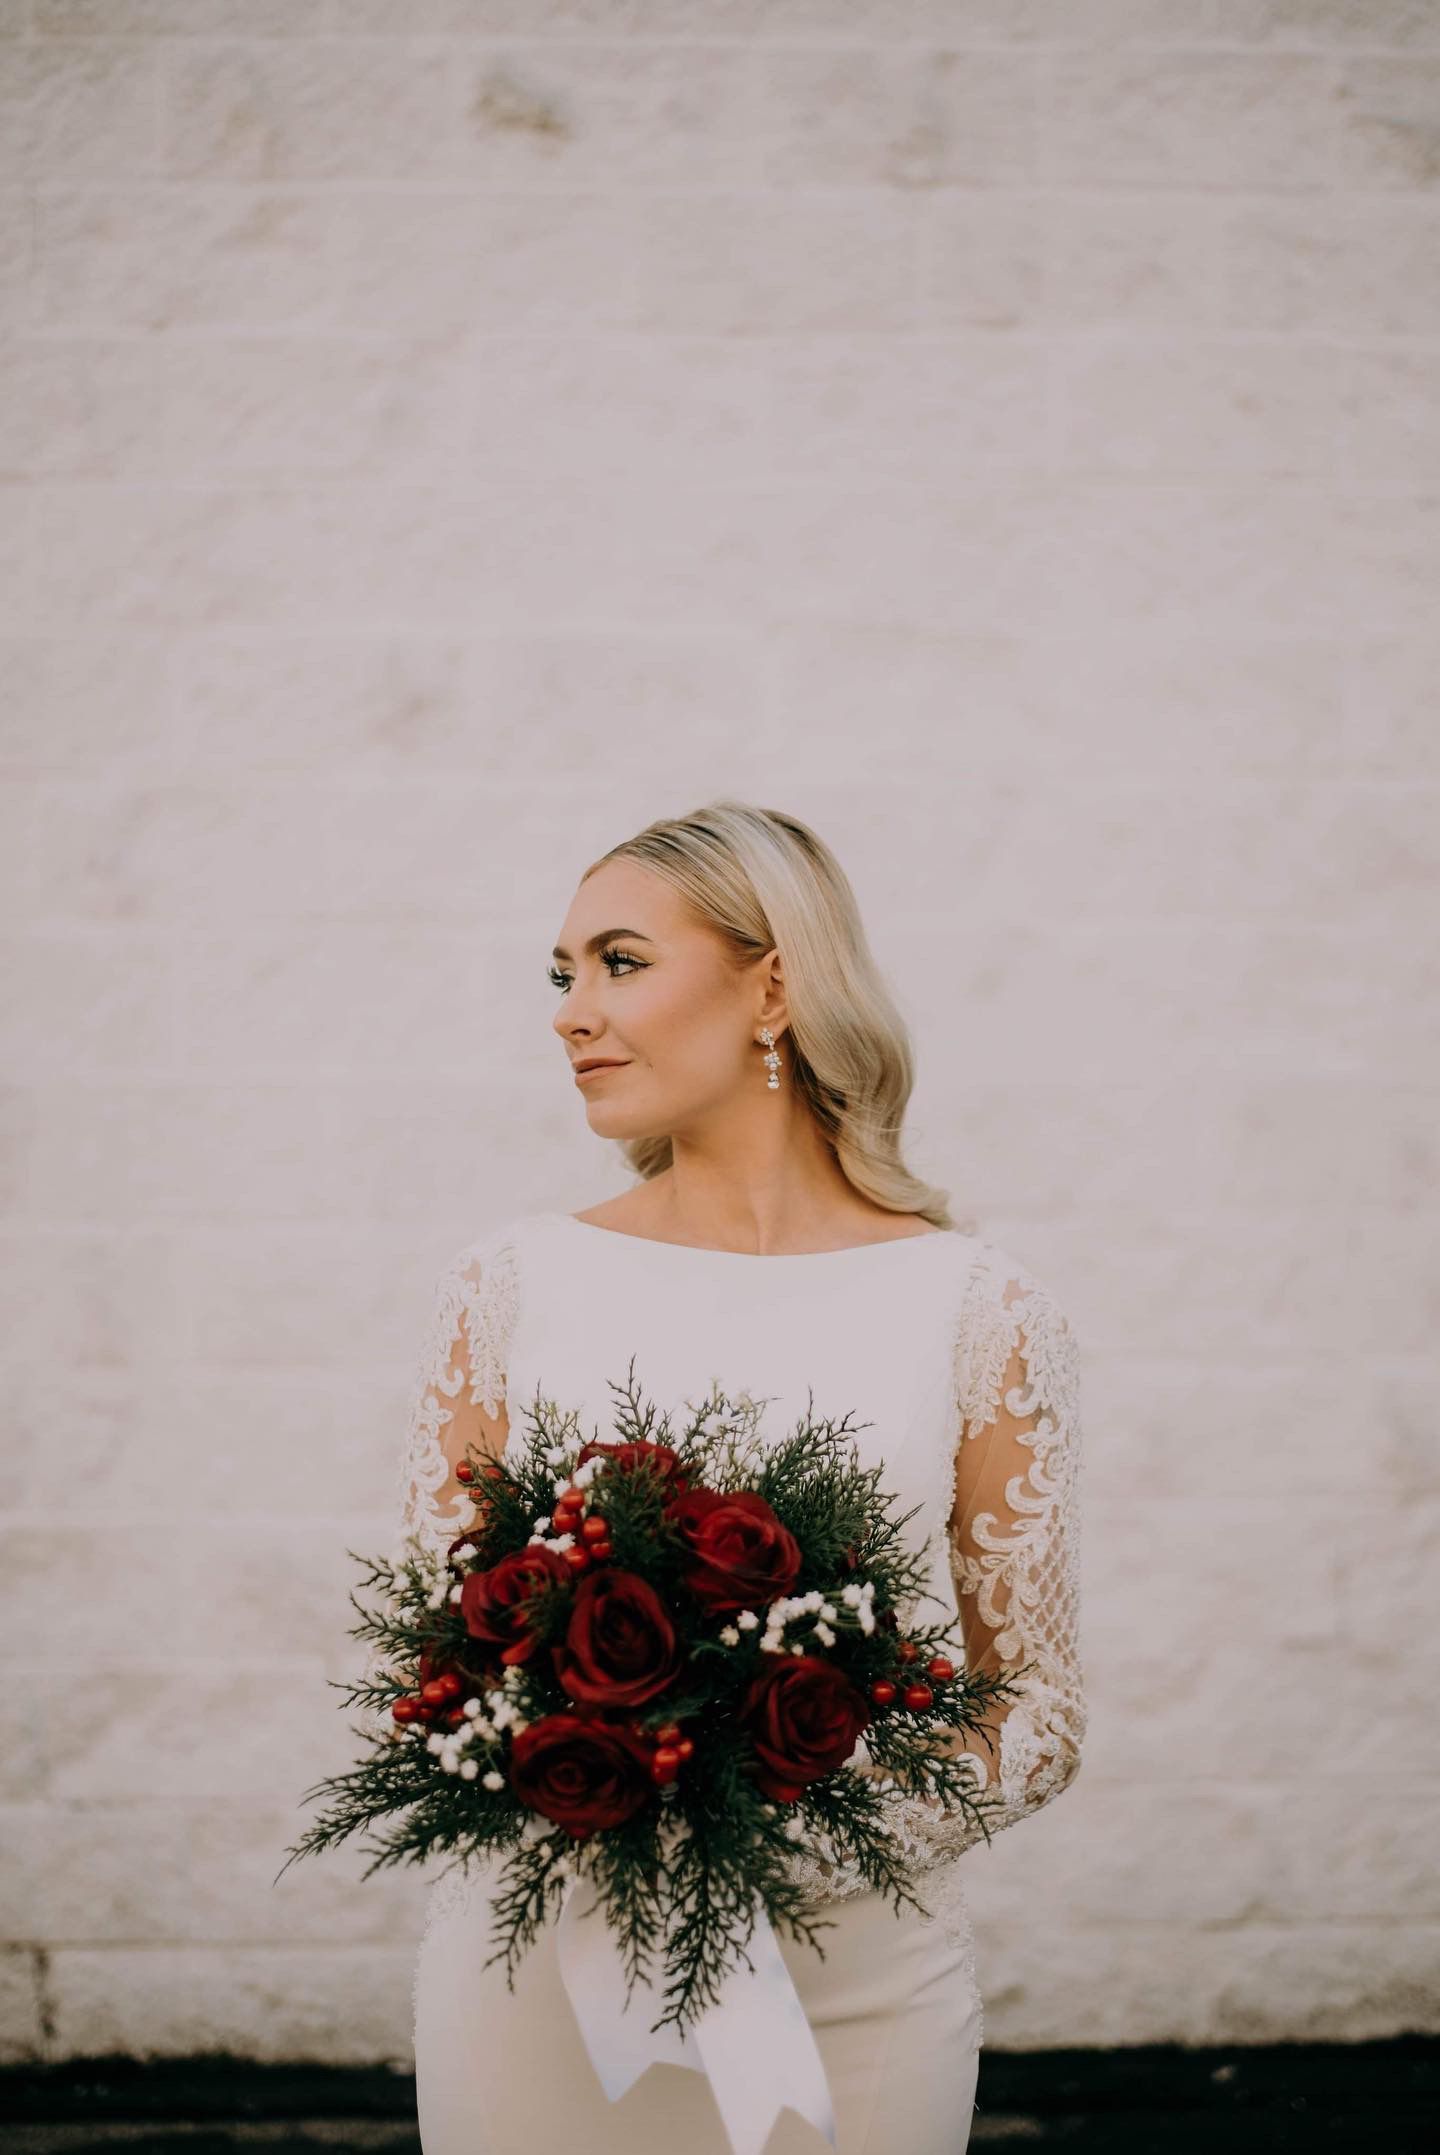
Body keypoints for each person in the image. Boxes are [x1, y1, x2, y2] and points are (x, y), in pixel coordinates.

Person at [392, 800, 1086, 2155]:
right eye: (563, 974)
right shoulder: (509, 1289)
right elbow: (437, 1657)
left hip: (861, 1988)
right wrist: (612, 1778)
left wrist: (799, 1822)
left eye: (620, 961)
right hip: (544, 1990)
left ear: (773, 984)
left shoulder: (976, 1306)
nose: (571, 1012)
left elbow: (1038, 1707)